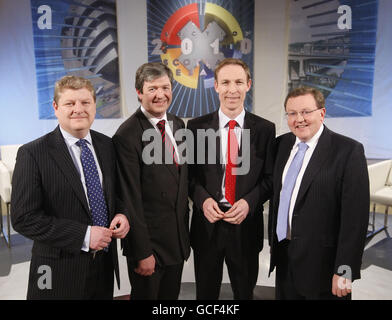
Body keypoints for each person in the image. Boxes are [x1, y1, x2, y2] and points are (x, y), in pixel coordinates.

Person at [11, 75, 130, 300]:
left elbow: (113, 194)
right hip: (57, 272)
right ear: (55, 108)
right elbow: (24, 218)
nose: (79, 109)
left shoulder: (107, 145)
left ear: (95, 106)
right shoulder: (33, 154)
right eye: (70, 103)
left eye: (85, 102)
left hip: (103, 267)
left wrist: (122, 213)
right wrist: (84, 236)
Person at [268, 87, 369, 300]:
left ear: (321, 113)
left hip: (324, 268)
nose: (299, 119)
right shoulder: (281, 144)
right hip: (285, 260)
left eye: (306, 112)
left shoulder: (348, 151)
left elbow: (355, 220)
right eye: (292, 113)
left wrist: (345, 271)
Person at [187, 58, 275, 299]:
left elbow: (269, 179)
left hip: (246, 227)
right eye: (225, 82)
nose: (232, 89)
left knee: (244, 293)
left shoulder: (265, 129)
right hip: (207, 227)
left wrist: (249, 203)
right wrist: (203, 201)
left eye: (238, 82)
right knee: (205, 295)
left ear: (248, 84)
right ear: (215, 86)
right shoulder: (195, 127)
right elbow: (189, 178)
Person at [112, 62, 190, 300]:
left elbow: (179, 182)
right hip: (149, 249)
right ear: (139, 92)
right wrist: (142, 252)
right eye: (152, 89)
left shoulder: (178, 124)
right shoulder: (126, 135)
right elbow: (129, 198)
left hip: (176, 242)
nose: (160, 95)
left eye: (165, 87)